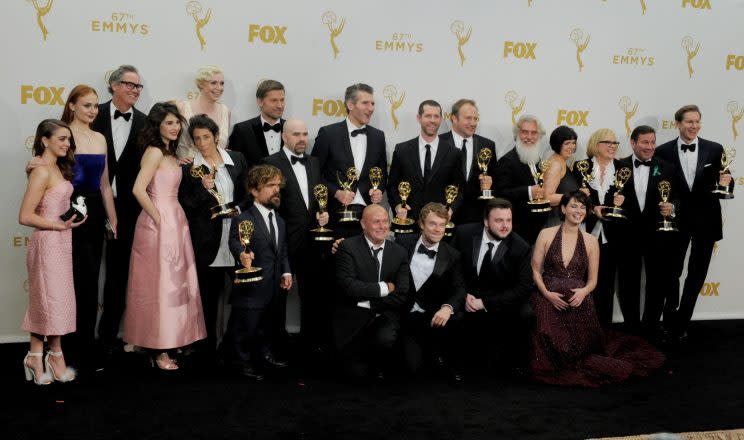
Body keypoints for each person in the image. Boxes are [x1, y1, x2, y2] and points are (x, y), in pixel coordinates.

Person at [529, 190, 665, 387]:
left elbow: (593, 281)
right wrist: (547, 295)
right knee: (547, 332)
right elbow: (534, 271)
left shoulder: (592, 241)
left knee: (583, 346)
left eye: (583, 207)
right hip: (547, 295)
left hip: (579, 299)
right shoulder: (546, 234)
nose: (579, 211)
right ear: (563, 208)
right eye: (574, 206)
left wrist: (584, 292)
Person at [123, 102, 206, 370]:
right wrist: (158, 219)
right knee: (159, 286)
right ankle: (158, 350)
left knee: (176, 283)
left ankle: (174, 339)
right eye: (168, 122)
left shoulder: (170, 154)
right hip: (158, 223)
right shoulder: (154, 152)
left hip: (176, 219)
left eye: (177, 122)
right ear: (157, 125)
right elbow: (137, 189)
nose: (175, 127)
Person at [655, 105, 734, 343]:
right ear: (678, 123)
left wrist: (727, 182)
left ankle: (682, 322)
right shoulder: (663, 151)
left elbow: (727, 187)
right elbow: (659, 188)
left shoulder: (715, 149)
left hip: (706, 221)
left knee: (697, 274)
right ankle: (669, 317)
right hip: (675, 220)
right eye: (689, 122)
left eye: (697, 122)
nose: (694, 126)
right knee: (672, 272)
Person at [19, 119, 87, 384]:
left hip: (60, 242)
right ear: (44, 140)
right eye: (61, 139)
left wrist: (74, 218)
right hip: (47, 243)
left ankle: (41, 356)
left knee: (56, 303)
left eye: (68, 140)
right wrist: (60, 225)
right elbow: (25, 216)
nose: (66, 144)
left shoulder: (57, 168)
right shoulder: (41, 170)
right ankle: (47, 357)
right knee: (47, 302)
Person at [57, 85, 118, 370]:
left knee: (91, 279)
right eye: (86, 106)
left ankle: (85, 345)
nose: (93, 111)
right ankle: (63, 346)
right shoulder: (62, 136)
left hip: (93, 214)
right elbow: (46, 171)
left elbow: (105, 184)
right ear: (72, 106)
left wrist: (113, 217)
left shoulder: (100, 138)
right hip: (65, 210)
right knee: (68, 280)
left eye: (95, 106)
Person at [178, 114, 249, 359]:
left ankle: (235, 348)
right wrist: (203, 189)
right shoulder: (189, 168)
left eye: (206, 137)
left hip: (238, 237)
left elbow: (249, 193)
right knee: (207, 299)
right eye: (196, 138)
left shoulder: (237, 159)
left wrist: (238, 209)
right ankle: (206, 352)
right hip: (207, 241)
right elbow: (185, 204)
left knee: (244, 297)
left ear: (216, 136)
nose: (201, 142)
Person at [91, 65, 147, 353]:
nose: (135, 91)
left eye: (139, 87)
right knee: (85, 273)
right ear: (113, 85)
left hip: (127, 210)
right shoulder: (91, 114)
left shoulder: (146, 123)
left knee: (117, 276)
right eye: (129, 85)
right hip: (88, 204)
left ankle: (107, 340)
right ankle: (80, 339)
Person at [264, 119, 330, 353]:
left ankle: (310, 345)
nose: (302, 139)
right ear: (284, 136)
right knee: (278, 297)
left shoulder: (314, 162)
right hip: (282, 242)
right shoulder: (270, 163)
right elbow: (266, 205)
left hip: (312, 242)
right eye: (296, 134)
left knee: (312, 296)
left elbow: (319, 199)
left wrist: (324, 215)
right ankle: (276, 346)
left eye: (305, 134)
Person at [450, 198, 534, 372]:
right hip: (468, 294)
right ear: (486, 222)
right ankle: (454, 364)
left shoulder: (521, 247)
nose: (505, 225)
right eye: (499, 220)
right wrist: (462, 295)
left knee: (527, 313)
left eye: (508, 220)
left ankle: (515, 364)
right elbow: (452, 268)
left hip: (500, 299)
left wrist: (485, 303)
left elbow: (523, 288)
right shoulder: (464, 233)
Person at [226, 164, 292, 380]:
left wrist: (286, 272)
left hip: (273, 285)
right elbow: (236, 242)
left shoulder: (280, 221)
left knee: (268, 325)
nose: (276, 190)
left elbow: (281, 251)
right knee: (245, 327)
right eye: (270, 185)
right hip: (251, 286)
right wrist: (241, 256)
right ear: (254, 190)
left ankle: (264, 354)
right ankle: (241, 362)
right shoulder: (243, 218)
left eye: (278, 185)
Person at [615, 126, 680, 336]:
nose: (650, 147)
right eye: (645, 142)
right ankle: (631, 327)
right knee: (627, 282)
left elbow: (678, 197)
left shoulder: (667, 167)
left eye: (653, 142)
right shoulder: (619, 166)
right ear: (633, 143)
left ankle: (651, 326)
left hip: (658, 235)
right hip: (627, 235)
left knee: (657, 282)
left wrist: (673, 208)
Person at [334, 204, 410, 380]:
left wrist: (368, 301)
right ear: (363, 224)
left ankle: (380, 364)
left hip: (385, 314)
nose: (382, 226)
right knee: (355, 376)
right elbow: (349, 286)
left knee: (384, 346)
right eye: (376, 222)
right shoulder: (347, 247)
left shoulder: (399, 252)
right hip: (353, 316)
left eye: (385, 221)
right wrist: (384, 288)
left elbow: (402, 294)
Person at [395, 203, 466, 380]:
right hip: (402, 314)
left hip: (431, 316)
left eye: (442, 225)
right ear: (421, 224)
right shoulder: (402, 243)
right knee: (409, 371)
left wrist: (447, 308)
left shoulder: (452, 255)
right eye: (433, 224)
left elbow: (460, 288)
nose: (438, 229)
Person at [311, 83, 387, 237]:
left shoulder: (378, 136)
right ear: (350, 105)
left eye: (372, 103)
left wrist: (379, 190)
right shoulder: (328, 134)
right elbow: (313, 173)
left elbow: (383, 173)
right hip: (335, 216)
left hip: (368, 218)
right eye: (365, 103)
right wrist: (336, 193)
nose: (371, 108)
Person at [570, 128, 624, 326]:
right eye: (607, 142)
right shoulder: (580, 167)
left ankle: (602, 332)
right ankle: (580, 330)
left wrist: (622, 202)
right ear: (595, 144)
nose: (612, 146)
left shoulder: (622, 168)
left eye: (615, 143)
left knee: (606, 285)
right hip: (582, 234)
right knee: (581, 282)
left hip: (612, 237)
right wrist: (592, 209)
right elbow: (571, 201)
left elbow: (631, 205)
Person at [387, 100, 463, 223]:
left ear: (441, 119)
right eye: (428, 116)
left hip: (439, 223)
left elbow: (459, 188)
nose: (432, 120)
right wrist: (397, 206)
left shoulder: (453, 153)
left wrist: (451, 209)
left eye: (436, 116)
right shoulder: (402, 150)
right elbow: (392, 185)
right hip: (408, 221)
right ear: (419, 118)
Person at [439, 99, 497, 225]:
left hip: (476, 218)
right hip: (444, 216)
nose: (473, 123)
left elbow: (495, 181)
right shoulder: (438, 143)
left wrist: (489, 185)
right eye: (468, 118)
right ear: (454, 118)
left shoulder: (487, 145)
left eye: (476, 119)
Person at [494, 114, 549, 244]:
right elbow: (501, 194)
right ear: (517, 134)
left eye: (534, 133)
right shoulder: (506, 161)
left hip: (536, 230)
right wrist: (529, 191)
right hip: (516, 231)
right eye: (525, 132)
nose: (529, 137)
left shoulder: (537, 160)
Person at [176, 65, 231, 159]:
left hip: (217, 171)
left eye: (222, 83)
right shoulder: (182, 108)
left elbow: (224, 146)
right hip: (186, 170)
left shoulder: (226, 111)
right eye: (213, 83)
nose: (219, 88)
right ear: (201, 84)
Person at [228, 79, 286, 168]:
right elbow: (235, 167)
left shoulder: (291, 129)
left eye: (282, 100)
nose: (280, 105)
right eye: (274, 100)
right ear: (260, 102)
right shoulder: (242, 130)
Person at [542, 126, 583, 227]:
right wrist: (577, 194)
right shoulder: (555, 164)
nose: (571, 147)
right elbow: (547, 197)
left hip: (564, 220)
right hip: (557, 222)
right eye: (567, 143)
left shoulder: (561, 161)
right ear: (557, 144)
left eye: (573, 142)